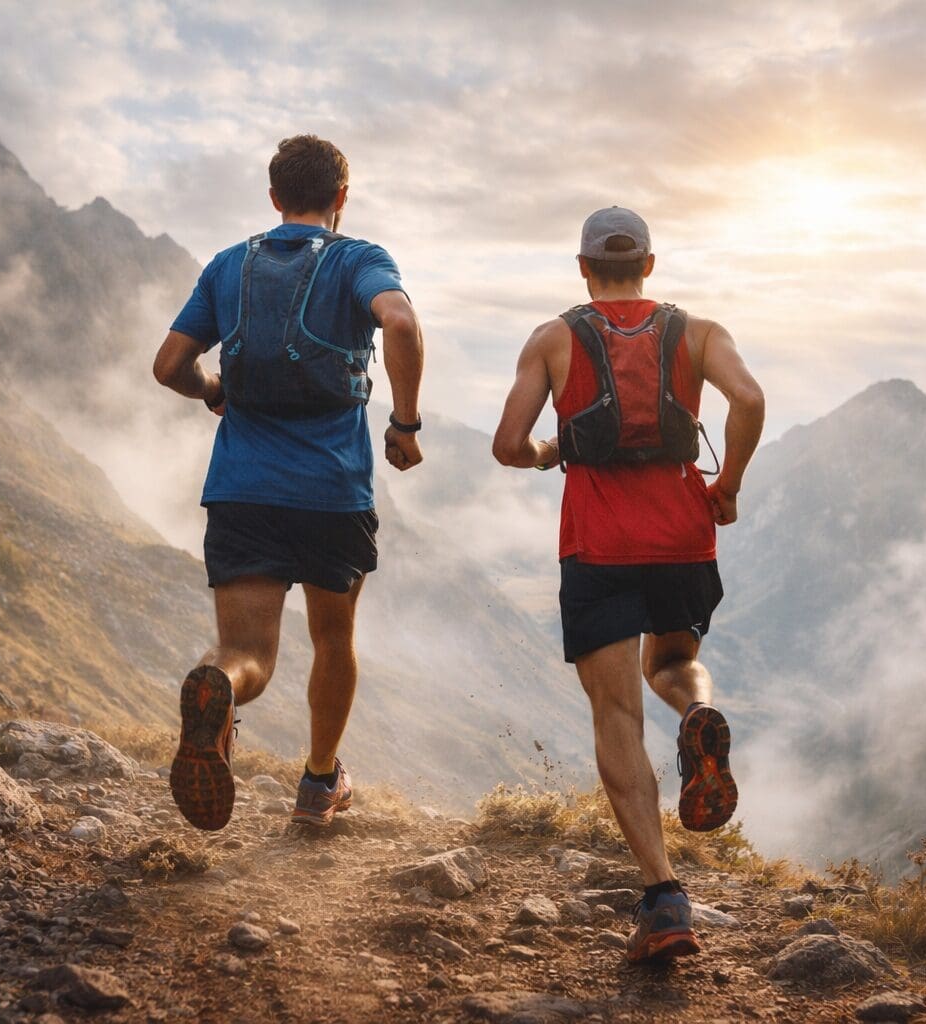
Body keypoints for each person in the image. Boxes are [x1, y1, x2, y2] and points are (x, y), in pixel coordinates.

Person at [491, 207, 765, 962]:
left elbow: (508, 446)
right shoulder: (700, 332)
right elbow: (749, 400)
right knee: (673, 666)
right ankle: (699, 712)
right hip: (683, 536)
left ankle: (663, 897)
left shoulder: (554, 339)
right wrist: (729, 486)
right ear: (649, 264)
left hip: (600, 545)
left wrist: (554, 451)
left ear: (583, 268)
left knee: (617, 710)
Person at [153, 134, 425, 831]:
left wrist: (211, 386)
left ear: (274, 198)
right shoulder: (360, 259)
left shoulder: (227, 266)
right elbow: (399, 322)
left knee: (248, 653)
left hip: (242, 488)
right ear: (341, 197)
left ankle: (220, 686)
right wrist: (405, 423)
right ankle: (318, 783)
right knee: (334, 638)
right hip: (333, 493)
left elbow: (167, 366)